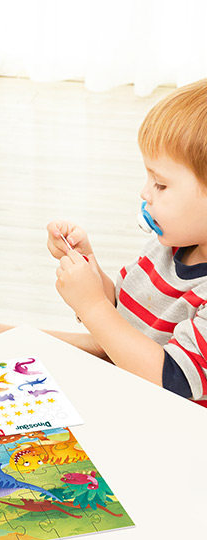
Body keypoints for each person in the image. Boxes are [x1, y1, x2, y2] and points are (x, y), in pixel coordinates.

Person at [47, 79, 207, 404]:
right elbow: (123, 316)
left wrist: (91, 306)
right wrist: (89, 270)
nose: (144, 192)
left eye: (160, 184)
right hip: (125, 390)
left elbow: (173, 381)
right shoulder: (169, 244)